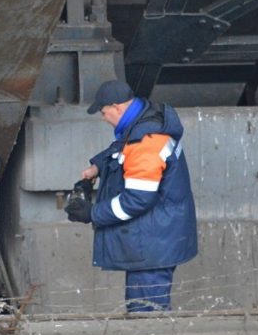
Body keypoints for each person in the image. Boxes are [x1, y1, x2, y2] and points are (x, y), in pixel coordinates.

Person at [63, 79, 198, 312]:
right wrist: (97, 167)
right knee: (143, 315)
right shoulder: (143, 123)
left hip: (152, 248)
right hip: (154, 240)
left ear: (117, 107)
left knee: (146, 319)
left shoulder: (146, 143)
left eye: (104, 113)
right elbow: (120, 149)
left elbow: (136, 200)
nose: (103, 118)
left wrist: (92, 213)